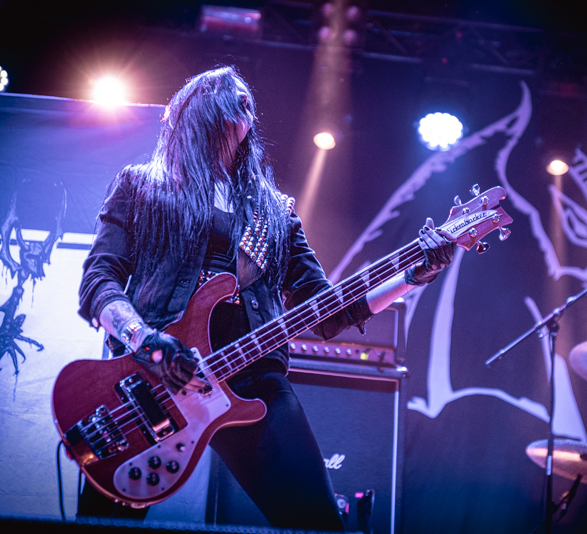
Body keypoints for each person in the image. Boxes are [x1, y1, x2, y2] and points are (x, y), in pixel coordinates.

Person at [76, 65, 454, 529]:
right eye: (226, 90)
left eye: (247, 99)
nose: (243, 98)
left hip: (254, 379)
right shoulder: (142, 186)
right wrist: (148, 341)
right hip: (153, 379)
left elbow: (330, 313)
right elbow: (98, 282)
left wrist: (412, 277)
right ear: (194, 107)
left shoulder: (274, 211)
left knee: (316, 524)